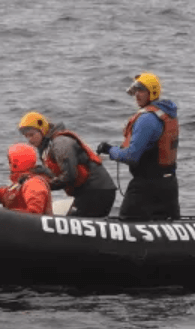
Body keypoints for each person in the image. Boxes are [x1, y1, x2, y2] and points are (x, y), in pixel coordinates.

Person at [95, 72, 180, 220]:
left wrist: (110, 150)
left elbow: (131, 156)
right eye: (135, 91)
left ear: (152, 92)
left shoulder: (147, 118)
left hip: (146, 186)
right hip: (169, 185)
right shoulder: (167, 113)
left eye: (141, 90)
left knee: (126, 225)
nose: (137, 95)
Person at [17, 111, 117, 217]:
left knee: (73, 224)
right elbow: (55, 174)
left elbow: (69, 176)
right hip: (90, 191)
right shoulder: (48, 147)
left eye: (32, 135)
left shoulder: (60, 143)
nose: (29, 140)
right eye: (26, 136)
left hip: (97, 191)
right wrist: (35, 176)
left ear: (42, 130)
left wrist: (40, 185)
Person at [0, 143, 53, 214]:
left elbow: (35, 212)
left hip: (30, 229)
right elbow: (0, 193)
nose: (9, 166)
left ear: (16, 163)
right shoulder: (19, 184)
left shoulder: (34, 183)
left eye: (10, 162)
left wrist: (6, 214)